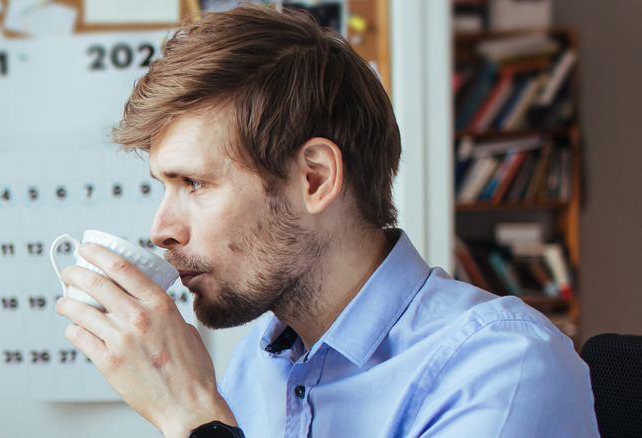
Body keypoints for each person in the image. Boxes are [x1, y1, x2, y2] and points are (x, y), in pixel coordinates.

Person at [55, 5, 599, 438]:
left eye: (193, 184)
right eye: (164, 186)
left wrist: (196, 419)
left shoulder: (503, 368)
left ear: (314, 179)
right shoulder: (258, 362)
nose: (161, 228)